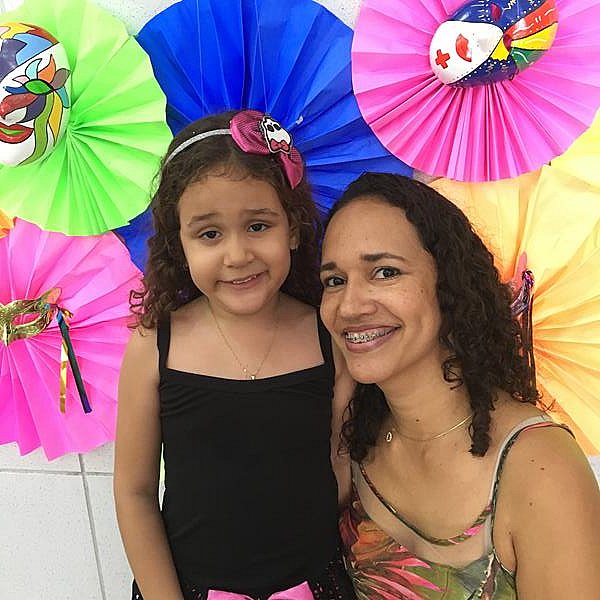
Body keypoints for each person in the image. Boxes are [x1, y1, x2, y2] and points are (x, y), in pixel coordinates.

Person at [319, 173, 600, 599]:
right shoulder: (354, 439)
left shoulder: (540, 467)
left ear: (448, 285)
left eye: (385, 272)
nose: (350, 305)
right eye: (334, 281)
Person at [114, 110, 355, 600]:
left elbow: (341, 470)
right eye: (209, 234)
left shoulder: (329, 336)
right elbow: (134, 492)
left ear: (293, 229)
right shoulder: (155, 345)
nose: (238, 255)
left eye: (258, 226)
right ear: (179, 244)